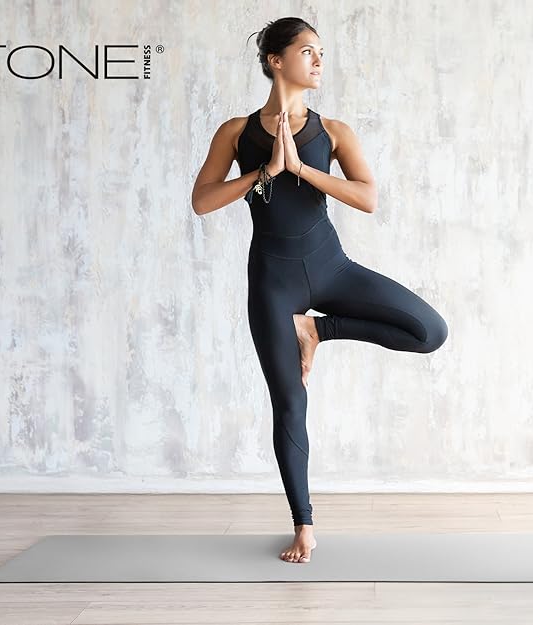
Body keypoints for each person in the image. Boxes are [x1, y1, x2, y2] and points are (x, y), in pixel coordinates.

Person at [188, 17, 449, 564]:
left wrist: (302, 169)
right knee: (290, 403)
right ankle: (304, 525)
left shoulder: (334, 132)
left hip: (332, 269)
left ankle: (318, 328)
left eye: (322, 52)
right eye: (308, 51)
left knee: (429, 331)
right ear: (275, 61)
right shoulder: (236, 132)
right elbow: (203, 201)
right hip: (272, 283)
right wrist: (265, 170)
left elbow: (368, 198)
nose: (319, 61)